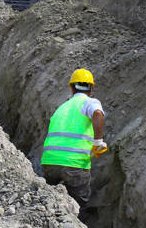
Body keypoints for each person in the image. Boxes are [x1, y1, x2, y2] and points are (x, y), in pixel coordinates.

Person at [40, 68, 108, 211]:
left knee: (51, 206)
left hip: (49, 162)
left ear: (71, 88)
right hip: (74, 163)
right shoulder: (89, 102)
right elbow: (97, 114)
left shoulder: (61, 108)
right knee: (79, 204)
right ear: (91, 89)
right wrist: (98, 142)